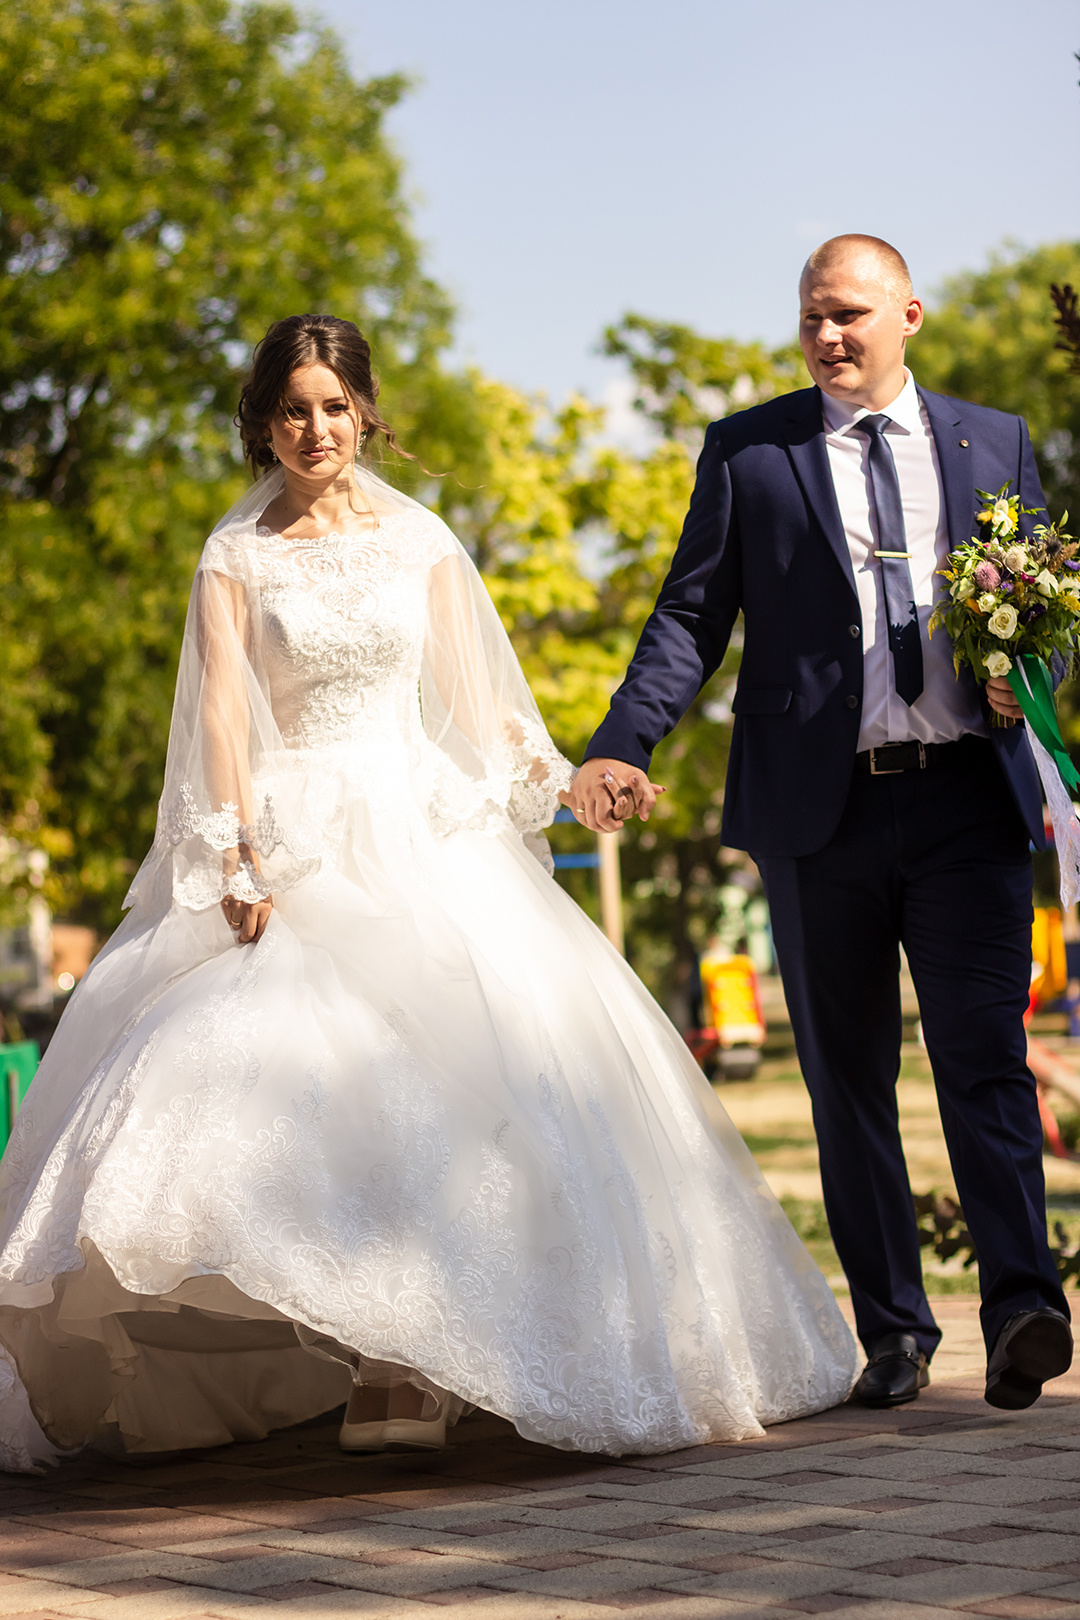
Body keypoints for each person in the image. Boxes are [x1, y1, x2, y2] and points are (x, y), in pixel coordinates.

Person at [0, 315, 857, 1473]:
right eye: (294, 409)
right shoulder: (233, 555)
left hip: (417, 826)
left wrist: (574, 782)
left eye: (336, 406)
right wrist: (235, 857)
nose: (317, 429)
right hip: (295, 840)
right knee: (268, 1079)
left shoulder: (424, 543)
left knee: (480, 1080)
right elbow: (216, 724)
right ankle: (373, 1346)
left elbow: (481, 703)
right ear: (266, 424)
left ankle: (422, 1364)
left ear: (366, 414)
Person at [574, 236, 1074, 1412]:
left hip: (967, 802)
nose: (829, 337)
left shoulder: (993, 442)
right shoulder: (750, 455)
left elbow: (1049, 598)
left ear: (908, 314)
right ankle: (895, 1333)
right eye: (811, 320)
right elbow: (689, 619)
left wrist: (1027, 677)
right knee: (844, 1082)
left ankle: (1023, 1310)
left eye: (849, 315)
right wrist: (621, 738)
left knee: (983, 1064)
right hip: (821, 816)